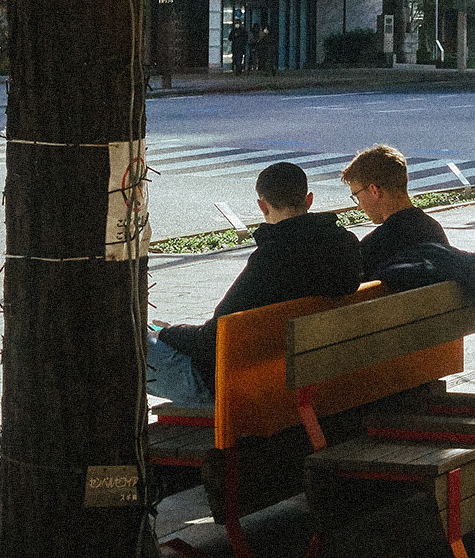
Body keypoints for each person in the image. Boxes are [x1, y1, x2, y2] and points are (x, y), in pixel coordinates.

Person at [147, 160, 360, 404]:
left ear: (262, 205)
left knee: (130, 340)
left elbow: (214, 338)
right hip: (310, 374)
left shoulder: (272, 258)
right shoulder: (345, 245)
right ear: (309, 199)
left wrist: (168, 333)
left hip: (234, 384)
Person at [342, 143, 450, 269]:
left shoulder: (374, 246)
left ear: (374, 190)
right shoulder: (433, 229)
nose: (359, 207)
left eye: (357, 197)